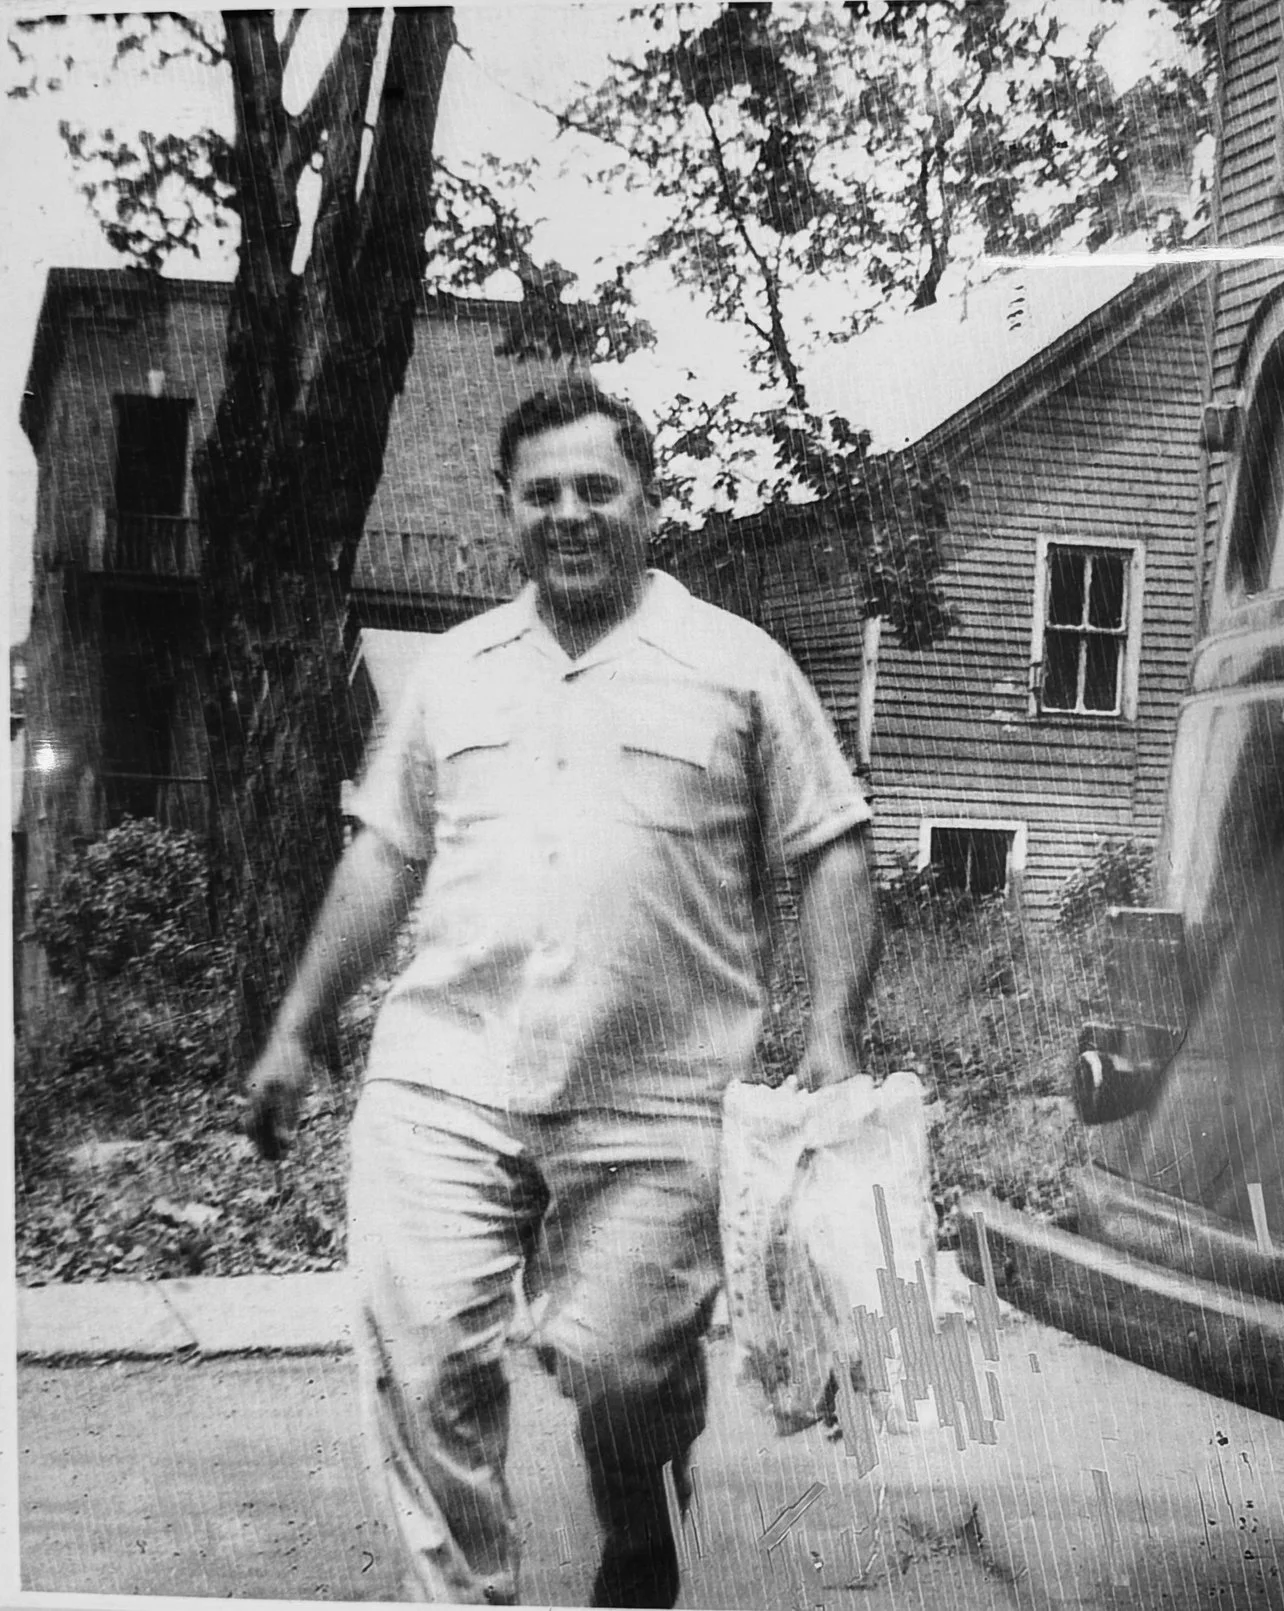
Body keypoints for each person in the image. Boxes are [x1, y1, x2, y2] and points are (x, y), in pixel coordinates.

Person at [243, 378, 880, 1607]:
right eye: (543, 494)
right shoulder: (457, 672)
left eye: (598, 489)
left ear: (649, 499)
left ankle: (639, 1516)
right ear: (505, 512)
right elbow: (382, 856)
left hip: (658, 1100)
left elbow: (832, 844)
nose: (570, 515)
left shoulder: (736, 665)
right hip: (450, 1077)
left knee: (619, 1373)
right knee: (422, 1365)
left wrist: (835, 1034)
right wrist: (296, 1030)